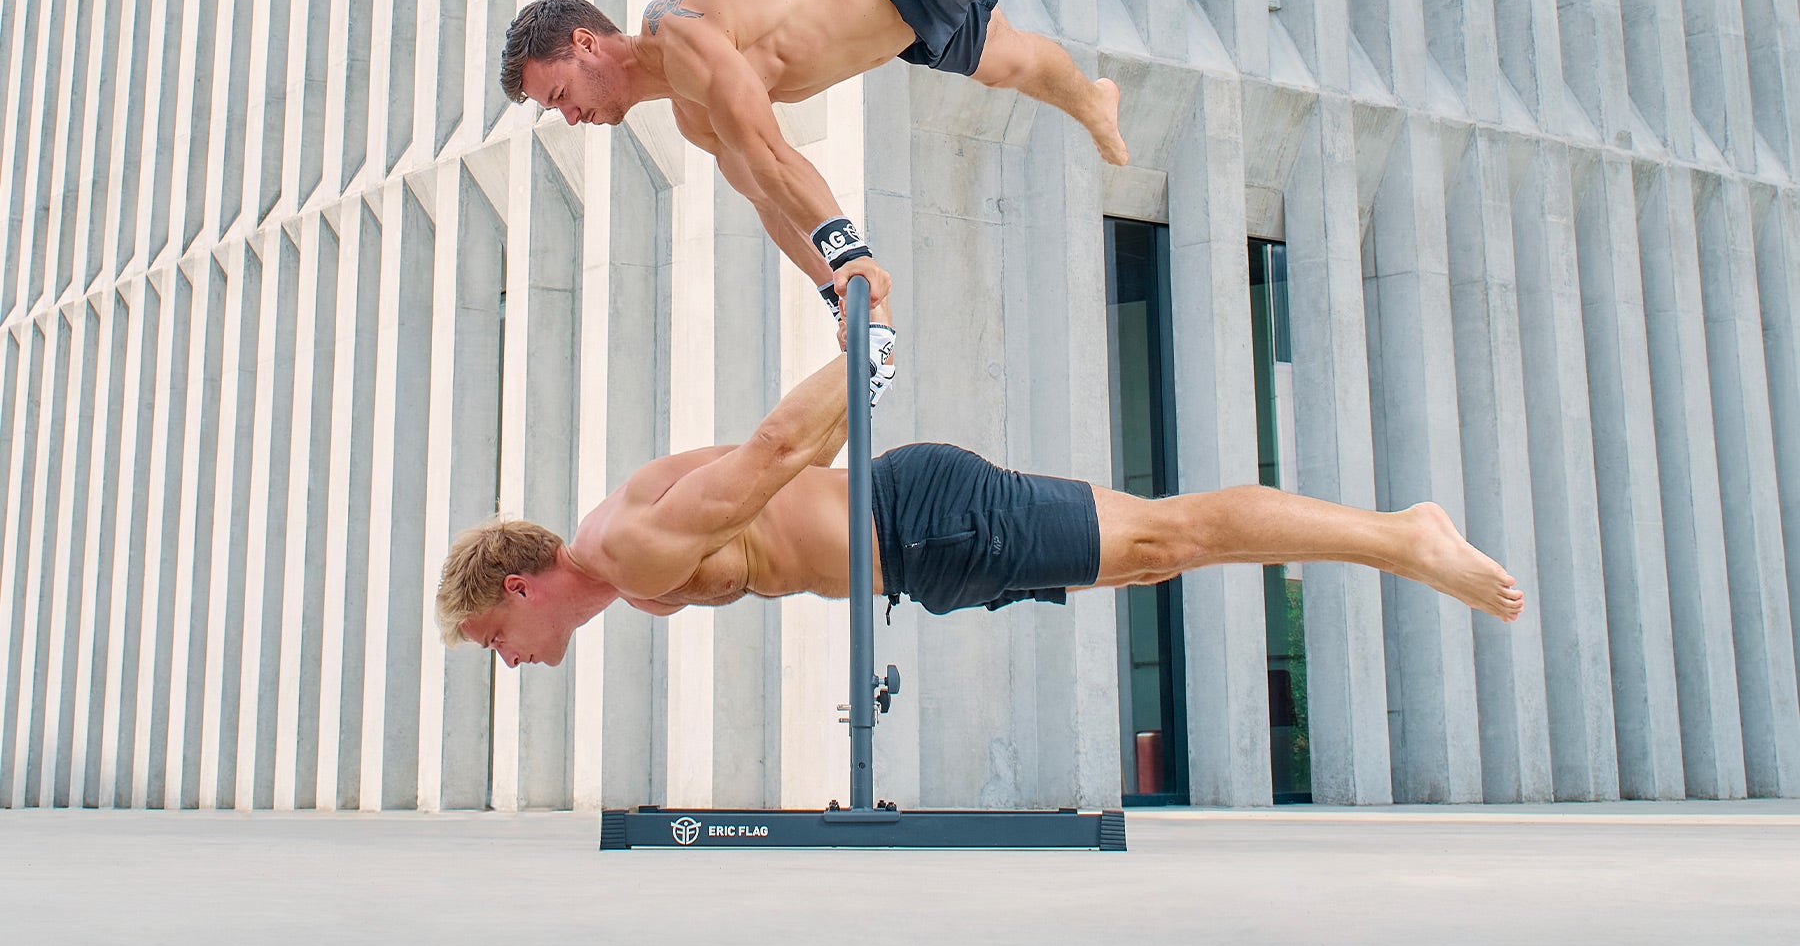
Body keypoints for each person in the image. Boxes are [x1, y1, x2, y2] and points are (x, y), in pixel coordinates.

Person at [498, 0, 1348, 321]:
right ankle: (1093, 99)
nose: (567, 116)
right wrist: (839, 294)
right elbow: (769, 203)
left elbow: (773, 149)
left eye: (556, 94)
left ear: (585, 42)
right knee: (1015, 65)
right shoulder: (687, 120)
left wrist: (850, 247)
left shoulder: (676, 28)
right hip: (906, 33)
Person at [435, 336, 1523, 670]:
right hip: (920, 545)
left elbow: (772, 451)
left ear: (521, 587)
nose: (505, 654)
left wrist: (868, 351)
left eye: (492, 634)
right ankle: (1394, 540)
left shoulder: (625, 548)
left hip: (921, 523)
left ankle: (1401, 538)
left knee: (1166, 537)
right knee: (1158, 545)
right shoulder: (630, 571)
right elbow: (765, 471)